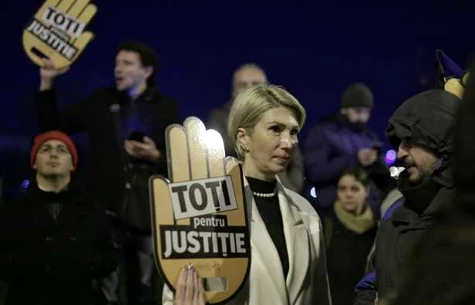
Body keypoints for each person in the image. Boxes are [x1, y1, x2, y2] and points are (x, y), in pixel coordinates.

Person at [35, 41, 180, 304]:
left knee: (144, 290)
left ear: (147, 71)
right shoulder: (101, 101)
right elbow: (52, 126)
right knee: (106, 291)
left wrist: (155, 156)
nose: (118, 69)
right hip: (104, 213)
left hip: (146, 217)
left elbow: (180, 163)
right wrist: (47, 81)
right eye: (116, 63)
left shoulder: (165, 109)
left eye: (127, 63)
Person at [163, 85, 332, 305]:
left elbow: (319, 296)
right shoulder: (207, 205)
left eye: (293, 132)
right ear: (243, 137)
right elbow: (178, 287)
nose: (288, 143)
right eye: (275, 129)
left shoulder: (306, 212)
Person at [0, 130, 120, 305]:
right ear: (34, 162)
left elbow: (110, 256)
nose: (53, 154)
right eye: (45, 149)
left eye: (62, 150)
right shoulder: (11, 213)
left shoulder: (92, 211)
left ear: (72, 164)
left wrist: (83, 262)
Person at [353, 88, 461, 305]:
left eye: (410, 141)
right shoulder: (393, 214)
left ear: (442, 144)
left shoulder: (465, 219)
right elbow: (369, 284)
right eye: (399, 143)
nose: (401, 152)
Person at [207, 63, 305, 193]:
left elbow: (296, 162)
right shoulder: (219, 118)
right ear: (233, 90)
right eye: (243, 85)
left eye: (255, 85)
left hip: (283, 191)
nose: (249, 89)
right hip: (234, 192)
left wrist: (293, 189)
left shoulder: (284, 119)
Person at [303, 83, 393, 217]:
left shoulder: (369, 137)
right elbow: (315, 172)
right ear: (345, 109)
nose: (362, 116)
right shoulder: (323, 132)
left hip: (366, 213)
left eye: (366, 112)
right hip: (332, 212)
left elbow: (383, 180)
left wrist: (377, 163)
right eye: (357, 111)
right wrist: (354, 159)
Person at [324, 168, 377, 305]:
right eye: (342, 189)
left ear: (366, 191)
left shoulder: (377, 227)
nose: (348, 194)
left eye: (354, 189)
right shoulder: (326, 224)